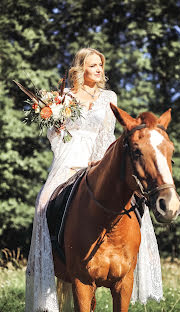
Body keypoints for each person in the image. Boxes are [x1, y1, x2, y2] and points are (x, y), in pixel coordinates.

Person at [25, 48, 117, 312]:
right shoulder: (64, 97)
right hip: (67, 157)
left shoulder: (109, 97)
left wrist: (98, 163)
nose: (99, 70)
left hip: (97, 160)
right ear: (80, 69)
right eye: (92, 65)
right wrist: (56, 123)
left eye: (100, 64)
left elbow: (107, 134)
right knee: (43, 201)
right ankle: (49, 266)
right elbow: (55, 136)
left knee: (132, 200)